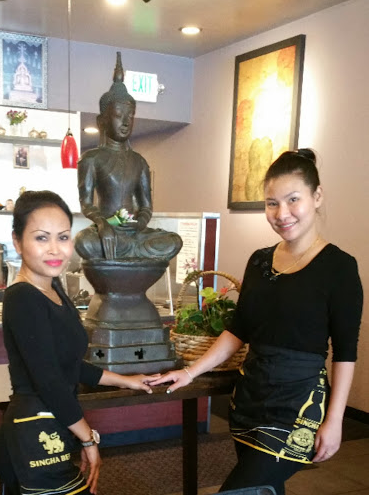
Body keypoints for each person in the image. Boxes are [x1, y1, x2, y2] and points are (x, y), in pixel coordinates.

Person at [151, 149, 363, 495]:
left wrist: (335, 419)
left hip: (297, 403)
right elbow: (238, 330)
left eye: (293, 200)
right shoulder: (259, 261)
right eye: (272, 203)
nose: (282, 213)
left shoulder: (339, 267)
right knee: (265, 489)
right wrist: (190, 372)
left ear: (317, 196)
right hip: (250, 397)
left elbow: (345, 352)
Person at [0, 190, 159, 495]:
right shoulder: (22, 297)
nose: (55, 249)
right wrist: (88, 439)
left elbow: (68, 365)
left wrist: (126, 380)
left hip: (54, 422)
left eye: (63, 237)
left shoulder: (53, 288)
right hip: (33, 432)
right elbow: (49, 381)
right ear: (17, 242)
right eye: (41, 238)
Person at [74, 52, 182, 261]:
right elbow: (86, 204)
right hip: (106, 230)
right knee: (83, 241)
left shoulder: (139, 162)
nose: (125, 122)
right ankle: (122, 250)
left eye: (130, 116)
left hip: (133, 233)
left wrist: (139, 224)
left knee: (173, 240)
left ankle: (125, 250)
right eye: (118, 115)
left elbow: (146, 206)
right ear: (101, 121)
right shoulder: (91, 159)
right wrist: (103, 224)